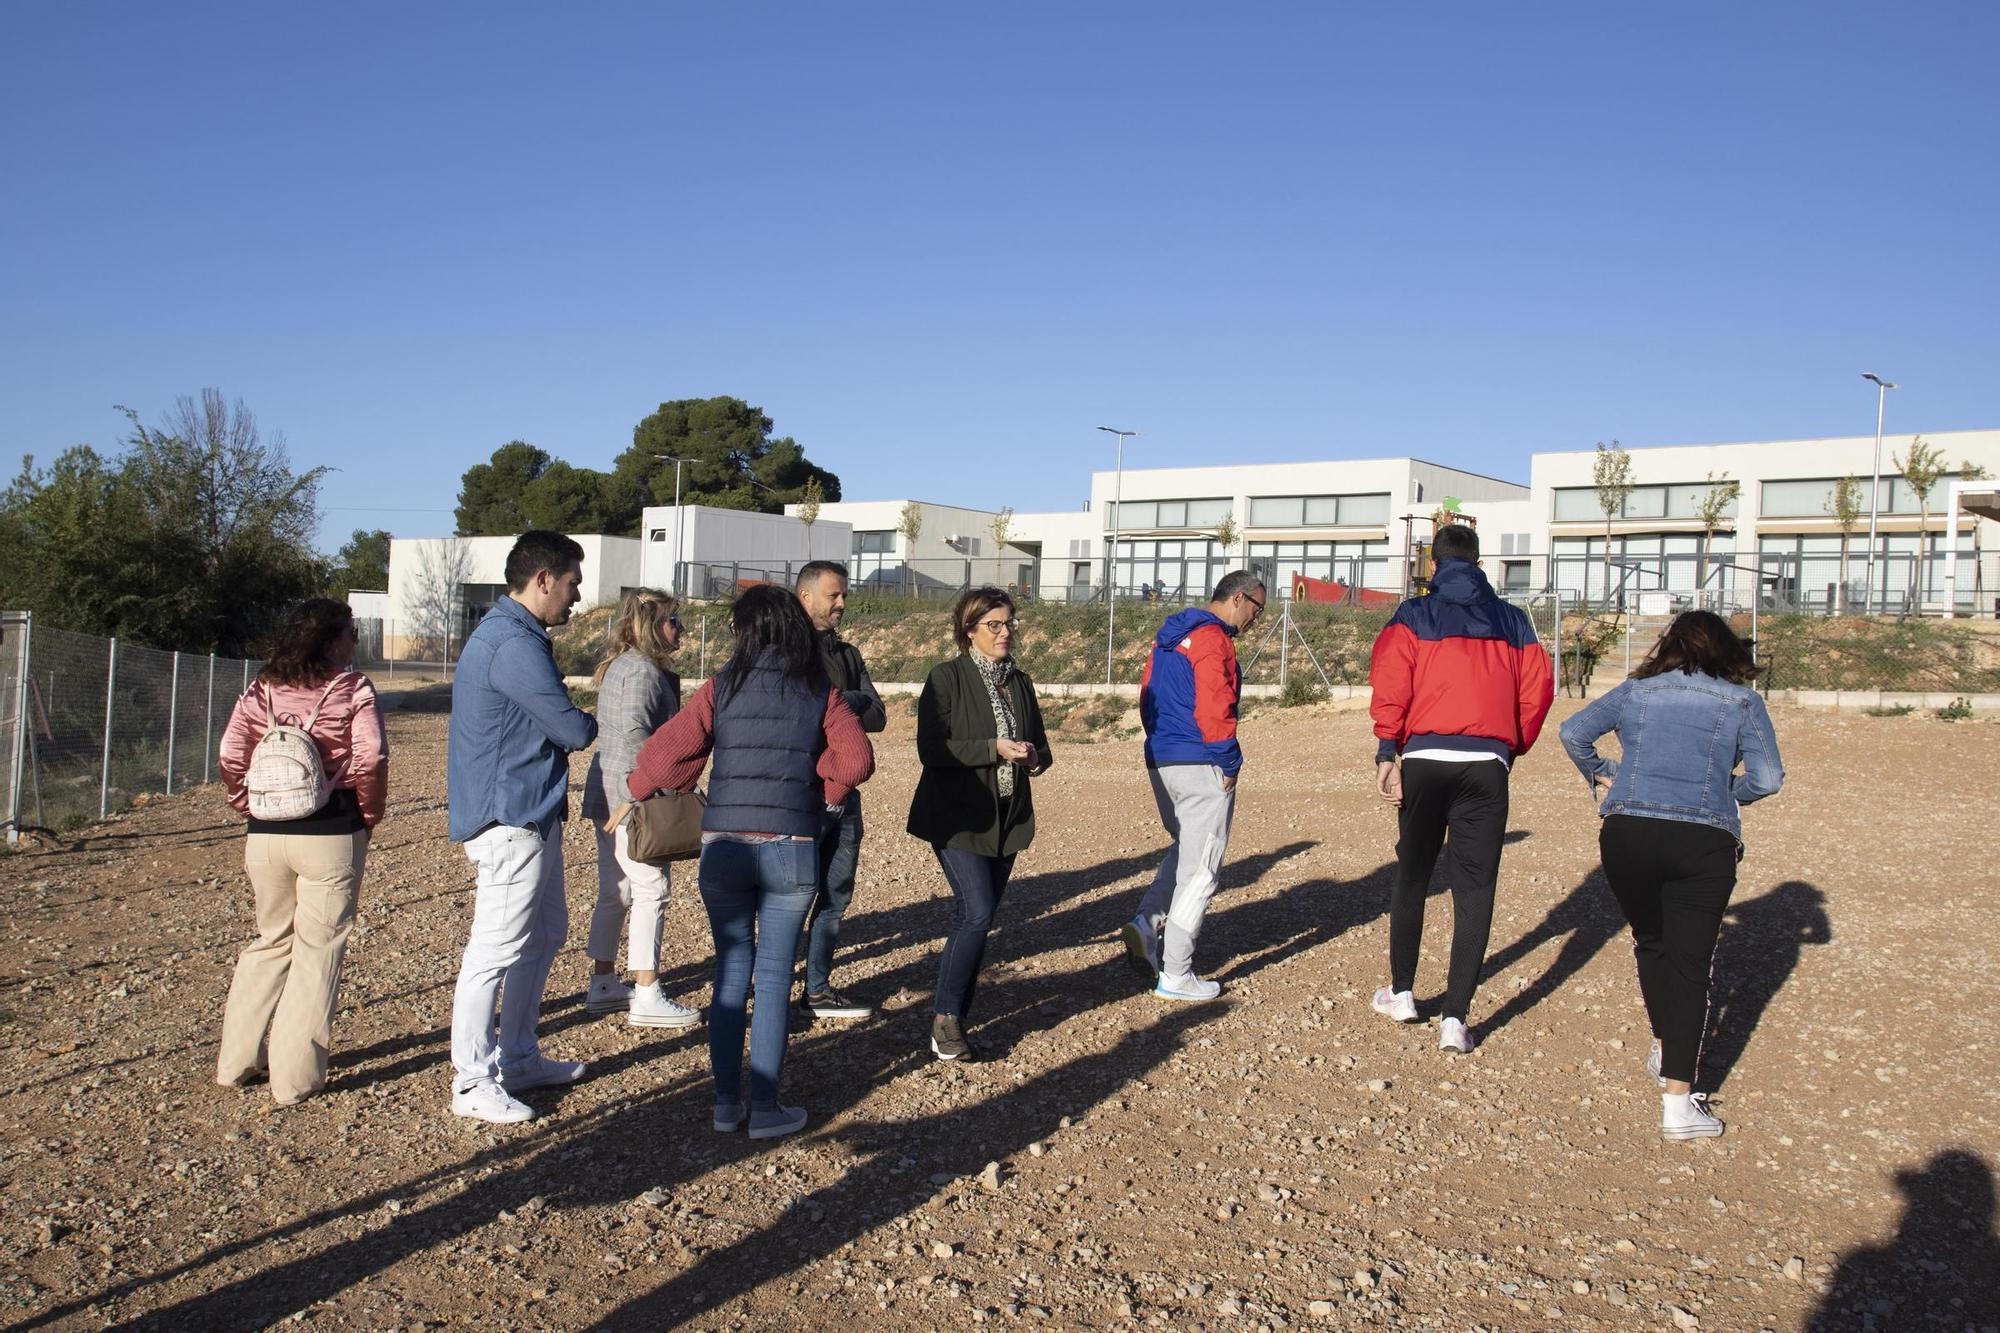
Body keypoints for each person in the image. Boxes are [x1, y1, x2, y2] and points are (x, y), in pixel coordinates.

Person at [625, 585, 875, 1140]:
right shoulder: (820, 690)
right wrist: (827, 794)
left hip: (725, 848)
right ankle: (765, 1108)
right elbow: (856, 761)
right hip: (792, 845)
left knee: (730, 973)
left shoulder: (721, 688)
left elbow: (664, 761)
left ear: (744, 632)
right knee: (772, 976)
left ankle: (723, 1105)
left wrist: (639, 786)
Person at [1558, 610, 1783, 1140]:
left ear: (1671, 645)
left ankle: (1666, 1043)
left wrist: (1609, 774)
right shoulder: (1742, 702)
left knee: (1650, 941)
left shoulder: (1638, 692)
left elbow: (1573, 732)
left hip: (1628, 830)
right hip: (1702, 838)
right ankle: (1679, 1104)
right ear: (1726, 650)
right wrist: (1730, 794)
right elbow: (1768, 778)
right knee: (1691, 966)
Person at [1368, 522, 1553, 1055]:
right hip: (1486, 764)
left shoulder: (1413, 614)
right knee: (1475, 888)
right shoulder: (1513, 619)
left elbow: (1391, 682)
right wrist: (1509, 747)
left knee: (1414, 875)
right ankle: (1455, 1020)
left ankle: (1402, 993)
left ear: (1434, 564)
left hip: (1424, 757)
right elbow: (1536, 689)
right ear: (1478, 563)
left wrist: (1388, 749)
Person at [445, 531, 599, 1124]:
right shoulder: (513, 644)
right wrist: (590, 717)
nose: (576, 596)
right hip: (510, 817)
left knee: (545, 932)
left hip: (529, 813)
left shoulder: (514, 637)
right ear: (542, 579)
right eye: (571, 582)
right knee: (495, 947)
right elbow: (571, 729)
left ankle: (519, 1055)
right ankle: (471, 1079)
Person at [216, 598, 388, 1106]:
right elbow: (371, 757)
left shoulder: (261, 688)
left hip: (264, 833)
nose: (355, 643)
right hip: (331, 831)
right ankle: (294, 1079)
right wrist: (369, 815)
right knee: (318, 950)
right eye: (351, 634)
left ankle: (236, 1062)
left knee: (269, 940)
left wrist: (250, 805)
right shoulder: (351, 687)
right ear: (333, 639)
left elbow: (230, 754)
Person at [907, 587, 1054, 1062]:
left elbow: (1043, 750)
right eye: (994, 624)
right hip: (957, 817)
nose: (1006, 631)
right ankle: (945, 1018)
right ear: (969, 631)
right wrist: (992, 748)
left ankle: (957, 1018)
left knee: (981, 917)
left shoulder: (1021, 683)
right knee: (976, 911)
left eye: (1010, 622)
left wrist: (1033, 757)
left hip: (1006, 820)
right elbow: (932, 750)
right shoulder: (946, 678)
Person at [1120, 570, 1264, 1000]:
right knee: (1202, 870)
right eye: (1258, 609)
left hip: (1163, 757)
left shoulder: (1167, 637)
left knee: (1186, 848)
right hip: (1201, 759)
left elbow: (1148, 696)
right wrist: (1230, 760)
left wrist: (1160, 744)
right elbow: (1215, 703)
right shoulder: (1213, 638)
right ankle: (1176, 973)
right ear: (1238, 599)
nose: (1257, 620)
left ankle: (1147, 924)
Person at [578, 589, 699, 1029]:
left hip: (607, 792)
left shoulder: (622, 666)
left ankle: (604, 981)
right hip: (629, 798)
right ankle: (647, 991)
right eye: (673, 620)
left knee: (617, 889)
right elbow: (634, 739)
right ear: (652, 625)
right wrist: (637, 795)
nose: (680, 628)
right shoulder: (644, 673)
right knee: (651, 888)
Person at [794, 561, 887, 1021]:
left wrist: (836, 700)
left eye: (844, 595)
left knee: (835, 896)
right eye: (834, 595)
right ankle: (773, 988)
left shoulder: (847, 655)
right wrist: (850, 701)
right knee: (791, 896)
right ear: (805, 596)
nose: (842, 604)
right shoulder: (784, 650)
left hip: (847, 791)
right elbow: (796, 715)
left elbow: (878, 715)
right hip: (802, 792)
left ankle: (817, 990)